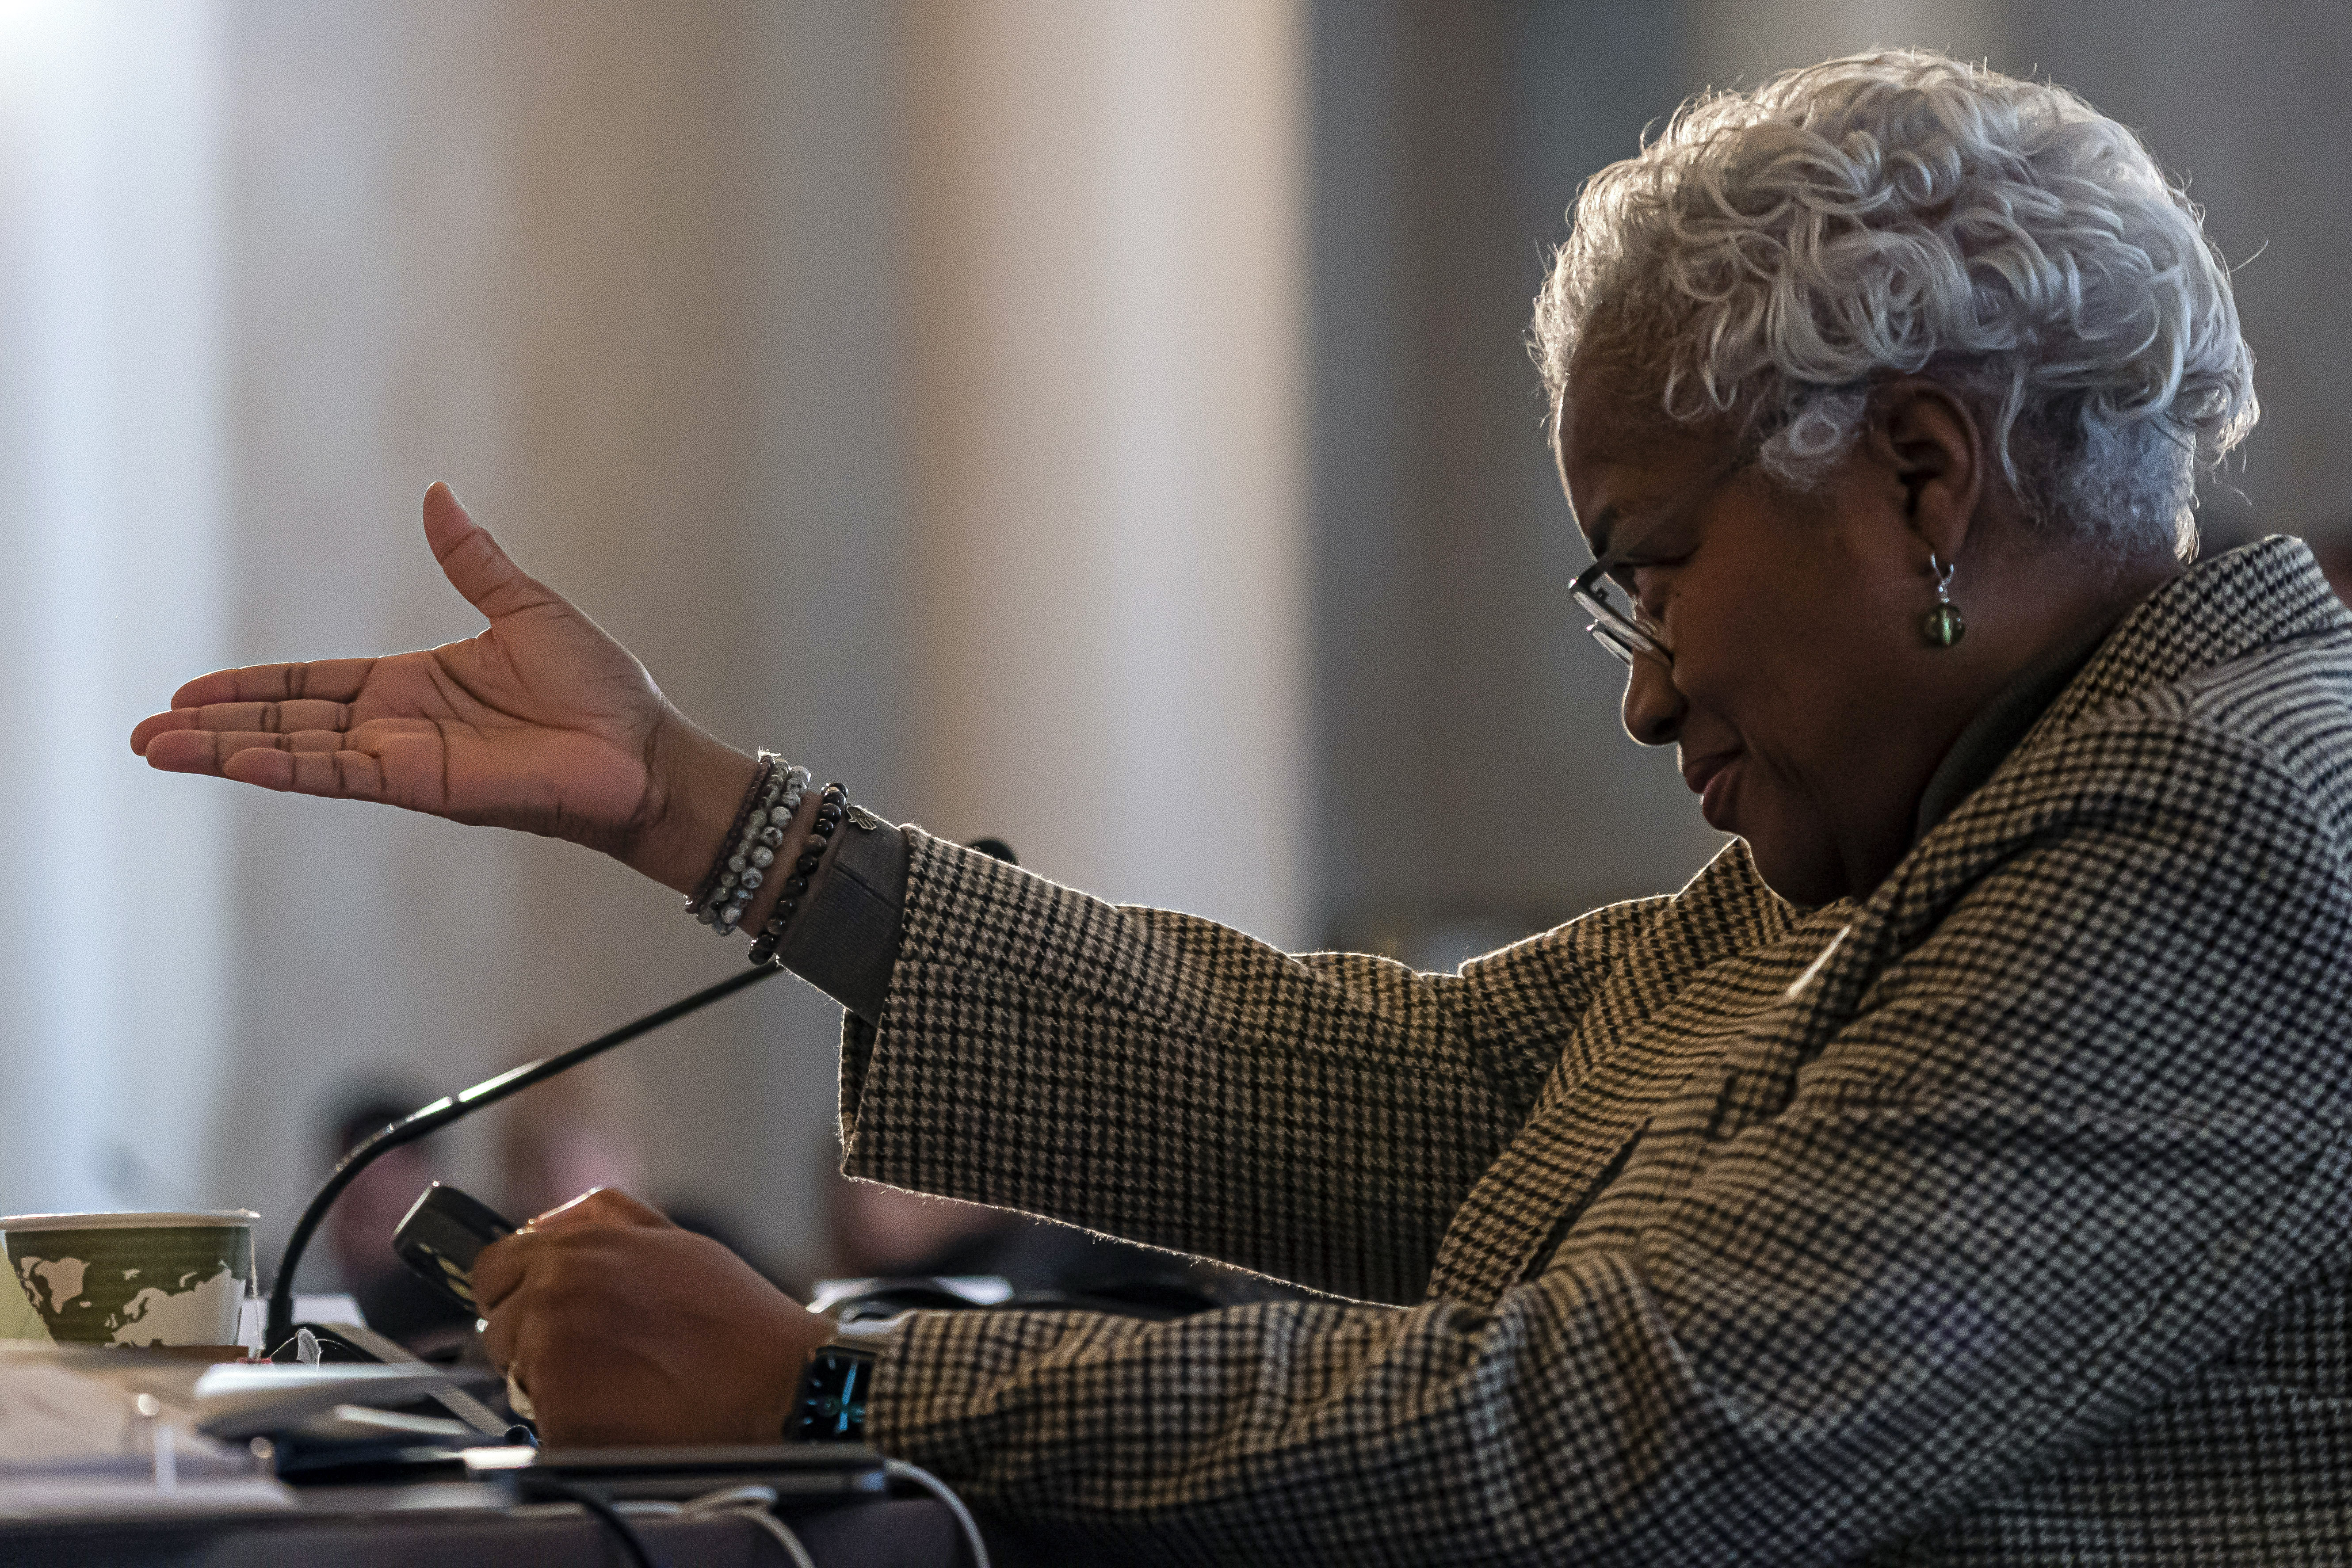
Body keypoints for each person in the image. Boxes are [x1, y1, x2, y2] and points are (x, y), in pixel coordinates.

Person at [129, 50, 2352, 1564]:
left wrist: (830, 1389)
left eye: (1655, 570)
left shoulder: (2211, 820)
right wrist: (716, 817)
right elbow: (1414, 1089)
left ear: (1921, 474)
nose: (1647, 690)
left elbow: (1634, 1443)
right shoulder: (1960, 797)